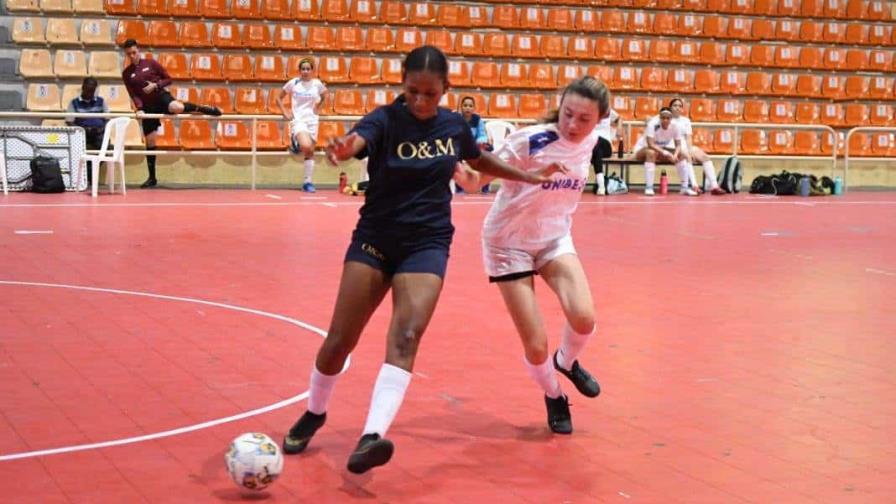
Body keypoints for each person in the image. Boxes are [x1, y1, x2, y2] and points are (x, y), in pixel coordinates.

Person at [281, 46, 567, 474]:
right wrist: (342, 149)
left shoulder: (453, 125)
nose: (419, 101)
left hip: (427, 242)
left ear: (445, 90)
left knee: (407, 334)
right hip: (375, 238)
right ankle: (316, 411)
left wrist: (526, 176)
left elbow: (477, 158)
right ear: (402, 83)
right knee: (340, 339)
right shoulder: (384, 119)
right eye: (412, 91)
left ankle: (371, 437)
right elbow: (358, 140)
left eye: (429, 94)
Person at [454, 76, 607, 434]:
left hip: (553, 237)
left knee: (583, 318)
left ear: (599, 120)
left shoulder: (593, 142)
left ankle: (567, 362)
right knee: (536, 347)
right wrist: (457, 170)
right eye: (568, 114)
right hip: (508, 243)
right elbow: (477, 179)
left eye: (584, 120)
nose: (573, 125)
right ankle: (554, 394)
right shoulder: (529, 140)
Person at [120, 39, 221, 188]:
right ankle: (152, 177)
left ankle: (203, 108)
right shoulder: (127, 74)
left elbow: (168, 79)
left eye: (134, 52)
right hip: (148, 107)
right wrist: (139, 108)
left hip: (161, 96)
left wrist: (156, 85)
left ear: (138, 50)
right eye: (129, 54)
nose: (132, 56)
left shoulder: (151, 64)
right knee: (150, 141)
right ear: (126, 54)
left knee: (177, 107)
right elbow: (133, 94)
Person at [277, 58, 327, 193]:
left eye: (308, 69)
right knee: (305, 145)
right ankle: (294, 140)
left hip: (312, 121)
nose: (305, 71)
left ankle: (307, 182)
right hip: (298, 120)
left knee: (310, 151)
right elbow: (278, 98)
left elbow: (325, 96)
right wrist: (285, 111)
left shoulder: (317, 84)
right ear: (299, 70)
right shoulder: (293, 83)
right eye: (303, 69)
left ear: (312, 70)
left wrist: (318, 108)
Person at [632, 107, 696, 196]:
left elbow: (678, 145)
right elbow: (650, 144)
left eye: (668, 118)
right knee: (651, 153)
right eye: (663, 118)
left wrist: (675, 154)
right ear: (660, 117)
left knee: (682, 155)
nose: (665, 120)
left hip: (660, 150)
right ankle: (649, 187)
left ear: (671, 118)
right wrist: (665, 153)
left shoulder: (675, 126)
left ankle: (684, 188)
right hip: (643, 149)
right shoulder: (653, 124)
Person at [668, 98, 726, 195]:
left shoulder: (686, 120)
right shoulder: (666, 118)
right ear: (670, 107)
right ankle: (694, 186)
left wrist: (690, 150)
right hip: (672, 146)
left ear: (682, 109)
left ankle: (714, 186)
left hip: (685, 145)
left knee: (704, 157)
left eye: (679, 106)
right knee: (687, 157)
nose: (677, 108)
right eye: (675, 105)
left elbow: (688, 137)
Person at [66, 77, 108, 184]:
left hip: (98, 133)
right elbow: (69, 122)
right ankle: (89, 175)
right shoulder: (74, 103)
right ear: (83, 88)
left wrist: (101, 129)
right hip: (81, 133)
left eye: (92, 90)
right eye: (88, 89)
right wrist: (82, 130)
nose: (90, 92)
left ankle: (90, 172)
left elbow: (108, 120)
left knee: (107, 148)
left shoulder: (101, 101)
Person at [458, 95, 492, 194]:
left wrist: (480, 142)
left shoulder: (478, 120)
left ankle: (485, 186)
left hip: (474, 146)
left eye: (470, 106)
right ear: (461, 107)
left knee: (489, 152)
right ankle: (459, 188)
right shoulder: (457, 119)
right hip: (460, 146)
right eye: (465, 105)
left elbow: (482, 135)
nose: (467, 108)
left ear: (473, 108)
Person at [589, 107, 620, 195]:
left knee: (596, 143)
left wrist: (617, 130)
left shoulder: (607, 110)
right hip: (592, 146)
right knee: (596, 151)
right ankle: (601, 186)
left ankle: (601, 185)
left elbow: (619, 118)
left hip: (606, 145)